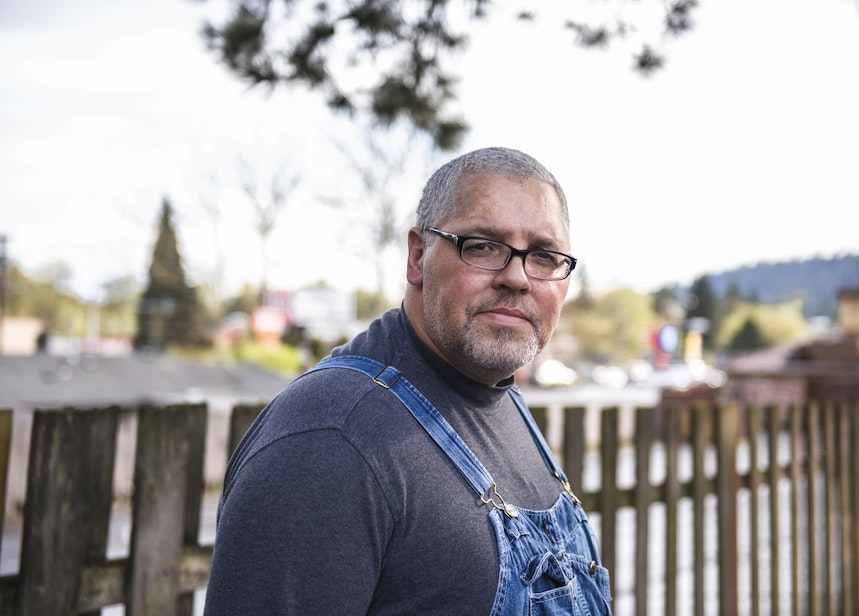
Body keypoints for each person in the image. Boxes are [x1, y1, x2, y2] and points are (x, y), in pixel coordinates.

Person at [204, 147, 612, 615]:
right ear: (418, 256)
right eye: (482, 245)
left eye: (543, 256)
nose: (518, 277)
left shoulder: (503, 398)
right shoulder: (330, 439)